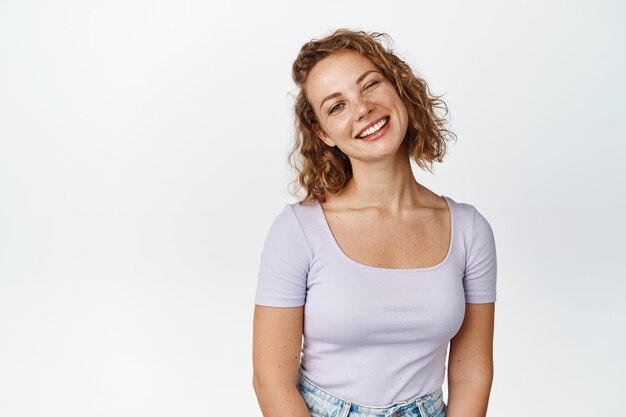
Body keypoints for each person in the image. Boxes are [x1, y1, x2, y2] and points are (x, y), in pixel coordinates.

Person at [252, 28, 497, 417]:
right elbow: (271, 380)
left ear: (398, 87)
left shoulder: (469, 230)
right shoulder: (298, 229)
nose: (362, 108)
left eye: (370, 85)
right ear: (323, 134)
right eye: (337, 106)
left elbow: (472, 375)